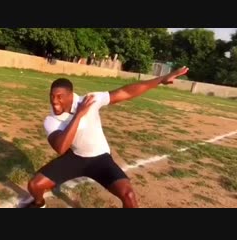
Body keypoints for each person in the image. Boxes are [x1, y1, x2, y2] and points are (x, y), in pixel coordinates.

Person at [19, 66, 189, 208]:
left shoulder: (90, 100)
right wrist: (78, 115)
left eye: (59, 97)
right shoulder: (51, 120)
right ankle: (39, 205)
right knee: (34, 186)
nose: (54, 101)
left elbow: (125, 92)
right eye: (52, 96)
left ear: (71, 95)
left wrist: (160, 80)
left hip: (100, 158)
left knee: (128, 195)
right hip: (75, 158)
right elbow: (61, 148)